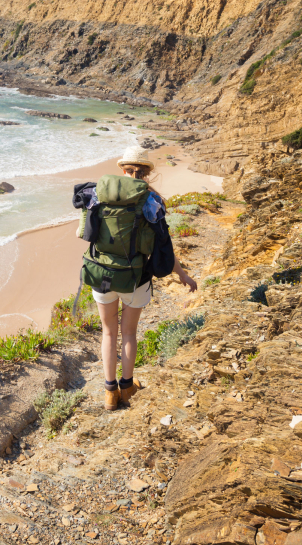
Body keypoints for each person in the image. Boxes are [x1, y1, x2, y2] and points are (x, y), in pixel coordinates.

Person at [76, 146, 198, 411]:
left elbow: (85, 232)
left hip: (101, 274)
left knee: (108, 332)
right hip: (135, 278)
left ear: (123, 170)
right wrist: (182, 275)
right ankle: (127, 386)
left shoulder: (98, 194)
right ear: (146, 174)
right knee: (129, 332)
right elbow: (163, 247)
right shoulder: (152, 202)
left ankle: (110, 393)